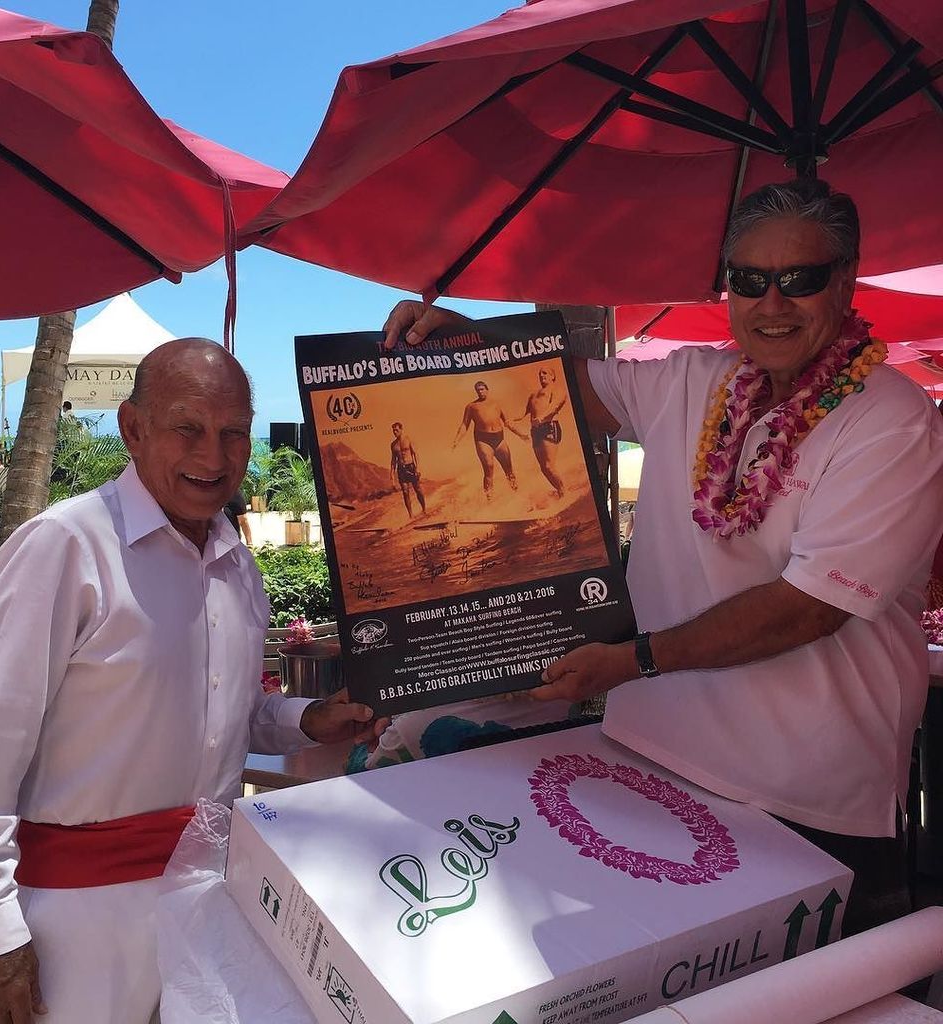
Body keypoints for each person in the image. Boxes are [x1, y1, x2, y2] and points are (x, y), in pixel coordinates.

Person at [384, 178, 943, 936]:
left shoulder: (892, 419)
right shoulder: (695, 380)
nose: (771, 304)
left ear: (844, 282)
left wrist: (633, 660)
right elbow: (562, 391)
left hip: (807, 798)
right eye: (749, 280)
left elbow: (809, 606)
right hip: (645, 758)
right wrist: (463, 338)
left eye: (800, 280)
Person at [0, 338, 388, 1024]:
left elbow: (216, 710)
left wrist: (307, 718)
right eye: (188, 428)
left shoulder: (238, 566)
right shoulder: (65, 548)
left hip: (212, 906)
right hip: (74, 926)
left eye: (235, 433)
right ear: (133, 429)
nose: (214, 456)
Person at [453, 379, 526, 501]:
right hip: (483, 440)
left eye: (482, 389)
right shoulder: (471, 406)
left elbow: (508, 422)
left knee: (508, 469)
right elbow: (464, 425)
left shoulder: (497, 403)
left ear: (487, 389)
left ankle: (517, 494)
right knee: (489, 467)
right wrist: (457, 440)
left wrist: (521, 434)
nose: (480, 392)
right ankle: (490, 500)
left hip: (499, 439)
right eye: (478, 390)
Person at [514, 366, 567, 497]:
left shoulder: (557, 390)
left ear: (552, 376)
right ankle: (560, 491)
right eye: (540, 373)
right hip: (535, 431)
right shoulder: (533, 395)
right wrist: (511, 419)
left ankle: (564, 491)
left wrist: (542, 418)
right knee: (543, 468)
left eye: (545, 373)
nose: (541, 375)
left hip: (549, 426)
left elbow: (555, 405)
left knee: (549, 465)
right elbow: (523, 413)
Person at [389, 421, 427, 518]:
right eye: (393, 431)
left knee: (417, 489)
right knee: (405, 492)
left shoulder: (408, 439)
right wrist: (392, 476)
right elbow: (393, 461)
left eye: (396, 430)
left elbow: (415, 454)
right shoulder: (393, 445)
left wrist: (418, 468)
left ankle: (424, 509)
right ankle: (411, 515)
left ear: (401, 430)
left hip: (410, 466)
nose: (395, 432)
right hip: (401, 470)